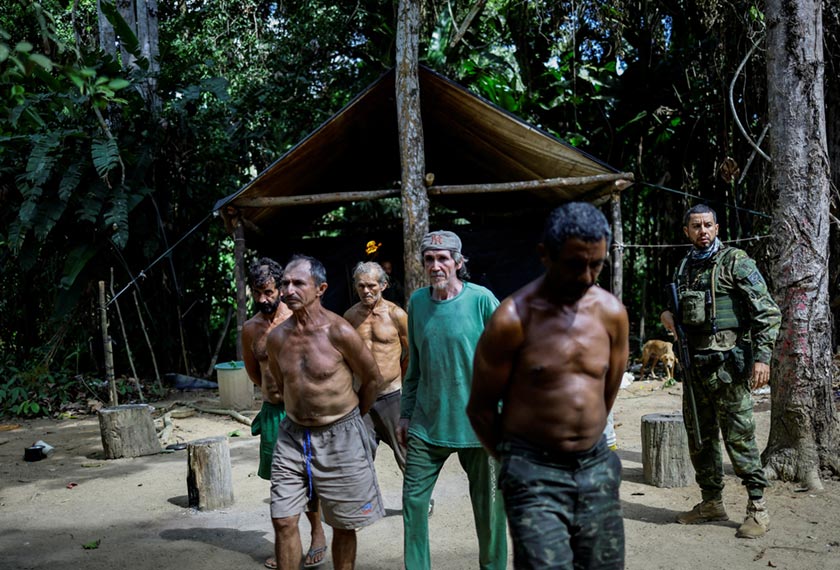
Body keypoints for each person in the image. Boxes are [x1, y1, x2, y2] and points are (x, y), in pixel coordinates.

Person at [467, 202, 629, 570]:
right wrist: (517, 464)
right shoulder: (512, 319)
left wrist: (586, 440)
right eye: (575, 264)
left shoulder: (611, 313)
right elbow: (480, 408)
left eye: (597, 264)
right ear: (545, 255)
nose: (588, 276)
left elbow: (608, 389)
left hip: (596, 465)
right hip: (533, 471)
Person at [660, 204, 781, 539]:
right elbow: (683, 309)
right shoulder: (686, 266)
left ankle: (758, 508)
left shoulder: (735, 262)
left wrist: (762, 359)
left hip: (728, 368)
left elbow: (768, 313)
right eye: (696, 226)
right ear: (686, 231)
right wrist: (668, 316)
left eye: (708, 225)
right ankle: (711, 502)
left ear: (717, 227)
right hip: (694, 368)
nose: (703, 231)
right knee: (700, 438)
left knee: (739, 437)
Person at [266, 255, 385, 570]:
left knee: (344, 523)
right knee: (283, 519)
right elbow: (282, 385)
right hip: (293, 435)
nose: (288, 289)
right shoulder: (277, 338)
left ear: (320, 288)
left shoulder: (339, 331)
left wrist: (353, 416)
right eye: (285, 283)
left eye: (297, 283)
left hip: (341, 433)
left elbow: (372, 378)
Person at [397, 230, 507, 570]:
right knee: (413, 502)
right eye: (429, 259)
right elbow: (413, 366)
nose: (435, 265)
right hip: (427, 424)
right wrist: (405, 415)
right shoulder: (416, 303)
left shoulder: (481, 300)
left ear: (458, 263)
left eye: (443, 258)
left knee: (490, 512)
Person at [240, 257, 327, 569]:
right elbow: (254, 372)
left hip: (301, 411)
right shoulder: (250, 329)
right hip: (273, 412)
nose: (263, 299)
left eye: (268, 291)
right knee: (280, 480)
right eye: (257, 293)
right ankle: (290, 542)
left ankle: (317, 533)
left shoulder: (297, 318)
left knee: (308, 476)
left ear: (279, 288)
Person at [343, 261, 409, 472]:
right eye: (361, 286)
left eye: (371, 285)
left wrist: (402, 382)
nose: (366, 291)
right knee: (359, 458)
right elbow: (344, 357)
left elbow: (412, 354)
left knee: (406, 453)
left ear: (383, 285)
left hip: (392, 396)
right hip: (362, 397)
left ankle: (418, 504)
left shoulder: (396, 315)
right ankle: (365, 504)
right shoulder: (350, 317)